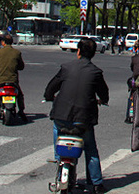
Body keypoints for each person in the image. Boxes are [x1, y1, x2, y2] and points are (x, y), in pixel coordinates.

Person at [43, 38, 109, 194]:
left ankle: (60, 171)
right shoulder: (96, 72)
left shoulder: (66, 68)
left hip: (61, 117)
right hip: (83, 120)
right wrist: (103, 101)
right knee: (90, 148)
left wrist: (48, 96)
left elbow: (51, 87)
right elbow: (104, 93)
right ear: (93, 54)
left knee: (58, 142)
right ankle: (96, 183)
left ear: (78, 51)